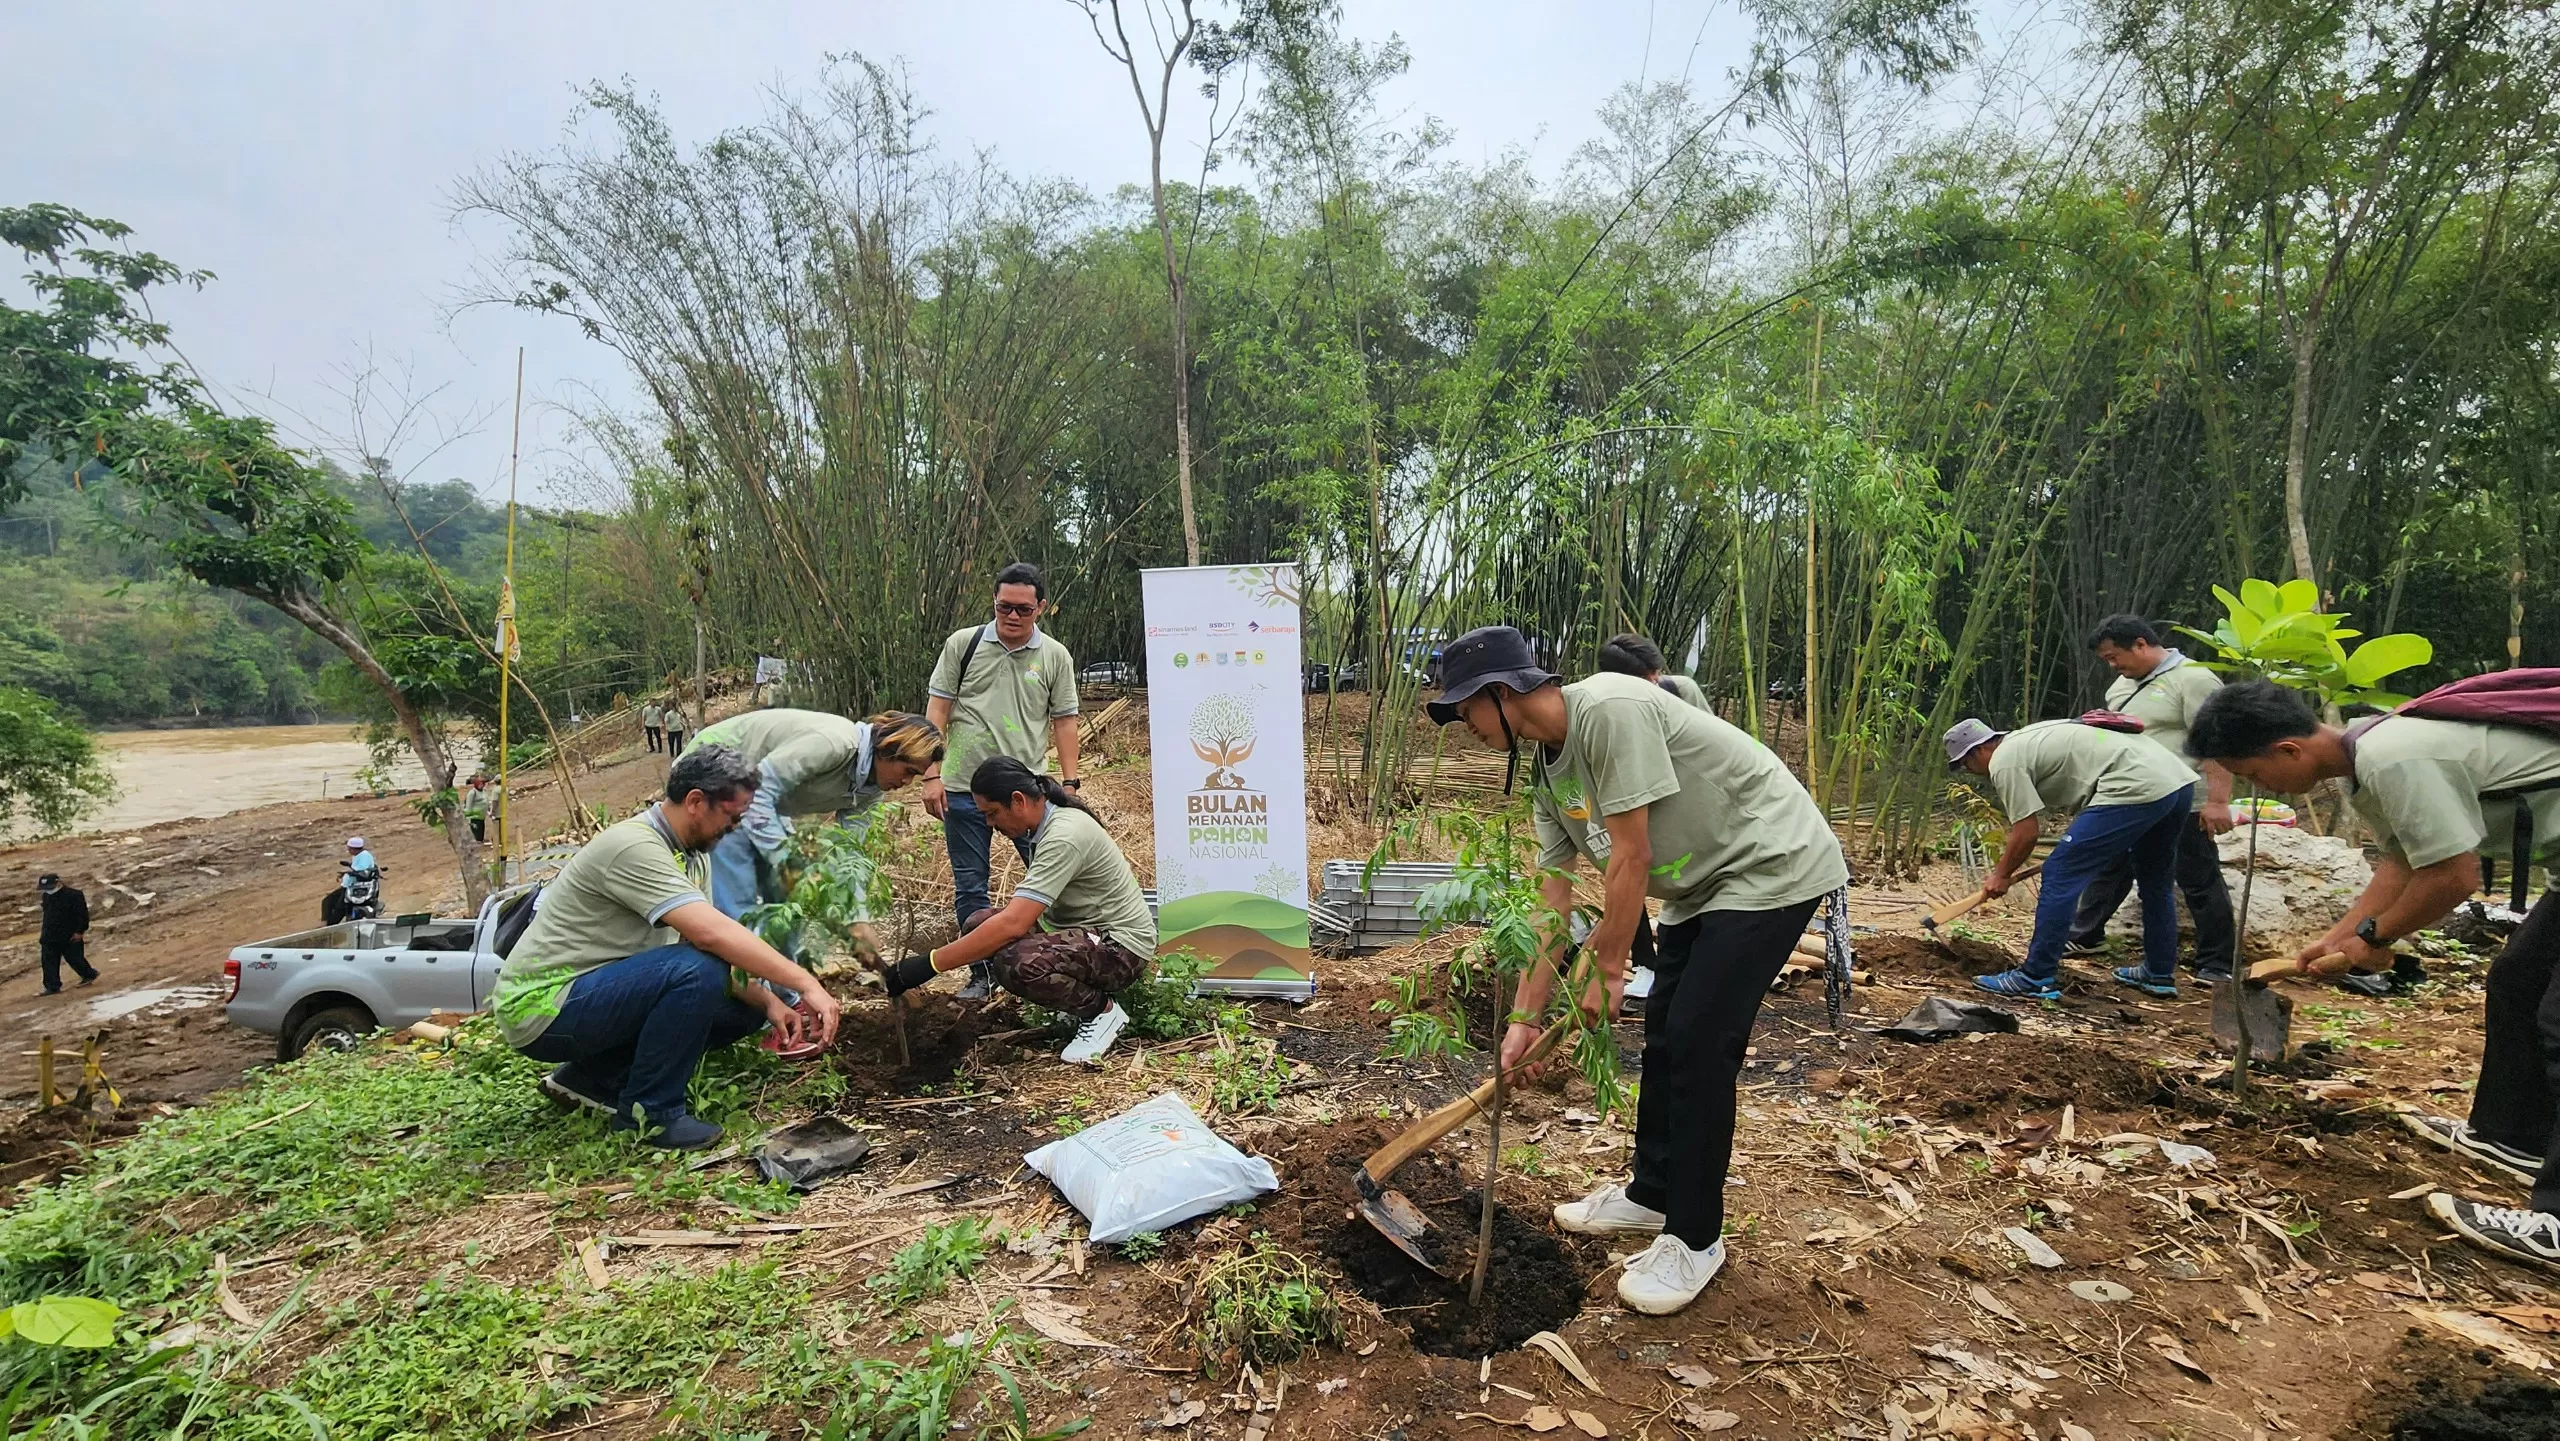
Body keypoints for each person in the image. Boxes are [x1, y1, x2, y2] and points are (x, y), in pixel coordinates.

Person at [1426, 625, 1846, 1316]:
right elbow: (1551, 907)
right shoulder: (1547, 775)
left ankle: (1695, 1238)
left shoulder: (1609, 708)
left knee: (1699, 1042)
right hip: (1699, 885)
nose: (1464, 725)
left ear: (1501, 692)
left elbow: (1631, 854)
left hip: (1769, 862)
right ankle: (1653, 1194)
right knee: (1665, 1037)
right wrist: (1524, 1019)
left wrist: (1608, 965)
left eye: (1465, 708)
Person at [2187, 678, 2560, 1273]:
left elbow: (2453, 876)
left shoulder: (2394, 757)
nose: (2261, 789)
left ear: (2288, 750)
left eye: (2254, 775)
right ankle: (2511, 1136)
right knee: (2519, 983)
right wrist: (2337, 938)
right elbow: (2404, 861)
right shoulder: (2368, 759)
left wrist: (2373, 941)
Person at [491, 744, 843, 1150]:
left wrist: (769, 1002)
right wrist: (805, 983)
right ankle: (651, 1115)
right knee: (697, 970)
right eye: (731, 816)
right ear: (696, 802)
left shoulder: (693, 854)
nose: (734, 828)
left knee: (745, 1006)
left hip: (593, 995)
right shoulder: (633, 846)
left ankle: (592, 1076)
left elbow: (705, 946)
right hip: (542, 1007)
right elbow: (710, 936)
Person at [882, 756, 1151, 1065]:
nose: (989, 824)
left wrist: (929, 964)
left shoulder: (1064, 835)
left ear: (1018, 800)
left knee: (1016, 962)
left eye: (992, 813)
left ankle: (1101, 1012)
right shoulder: (1045, 825)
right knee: (978, 924)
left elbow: (1014, 924)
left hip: (1119, 948)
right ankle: (1075, 1002)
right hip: (1084, 932)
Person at [1945, 715, 2197, 1000]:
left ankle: (2036, 976)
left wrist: (2001, 874)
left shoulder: (2004, 761)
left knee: (2059, 873)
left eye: (1965, 764)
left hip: (2134, 786)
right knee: (2155, 881)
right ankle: (2159, 972)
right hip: (2176, 781)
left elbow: (2026, 833)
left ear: (1978, 750)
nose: (1969, 772)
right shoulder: (2029, 737)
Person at [923, 562, 1082, 999]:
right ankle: (982, 974)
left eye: (1023, 609)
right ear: (993, 601)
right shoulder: (963, 644)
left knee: (1051, 879)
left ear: (1041, 607)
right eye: (1004, 606)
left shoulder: (1054, 656)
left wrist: (1070, 784)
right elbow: (937, 710)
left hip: (1024, 794)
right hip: (962, 788)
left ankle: (1056, 963)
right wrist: (931, 773)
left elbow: (1065, 721)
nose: (1012, 616)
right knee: (970, 885)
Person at [688, 707, 944, 967]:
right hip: (714, 772)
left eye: (916, 775)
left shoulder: (870, 790)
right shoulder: (834, 743)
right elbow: (757, 792)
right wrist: (790, 865)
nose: (908, 782)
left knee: (787, 904)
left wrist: (856, 920)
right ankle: (745, 982)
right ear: (888, 749)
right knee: (741, 902)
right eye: (908, 770)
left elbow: (848, 854)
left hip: (760, 798)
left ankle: (788, 986)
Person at [2062, 615, 2239, 981]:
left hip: (2183, 797)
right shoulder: (2121, 686)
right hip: (2132, 795)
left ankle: (2217, 963)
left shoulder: (2194, 679)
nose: (2113, 666)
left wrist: (2218, 801)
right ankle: (2085, 934)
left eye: (2114, 656)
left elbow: (2217, 742)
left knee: (2197, 877)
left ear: (2141, 644)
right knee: (2112, 865)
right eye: (2106, 660)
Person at [1596, 632, 1712, 713]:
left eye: (1655, 672)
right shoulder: (1602, 709)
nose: (1654, 680)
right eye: (1643, 677)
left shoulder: (1681, 690)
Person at [36, 874, 94, 995]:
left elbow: (82, 915)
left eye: (50, 887)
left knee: (74, 958)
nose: (48, 890)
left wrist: (80, 931)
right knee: (48, 961)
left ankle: (89, 974)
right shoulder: (46, 896)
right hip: (49, 935)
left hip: (69, 934)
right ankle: (52, 987)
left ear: (59, 883)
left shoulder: (74, 895)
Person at [462, 773, 494, 844]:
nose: (482, 785)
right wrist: (468, 817)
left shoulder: (483, 791)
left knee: (481, 827)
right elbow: (468, 805)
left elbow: (486, 801)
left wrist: (489, 811)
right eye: (481, 784)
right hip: (475, 816)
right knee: (476, 829)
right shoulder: (472, 793)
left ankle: (480, 840)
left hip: (482, 815)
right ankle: (476, 841)